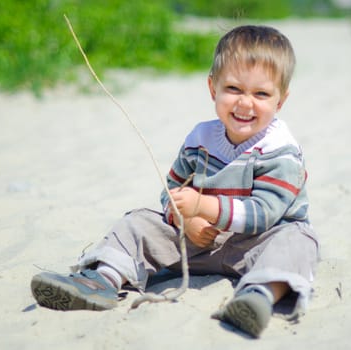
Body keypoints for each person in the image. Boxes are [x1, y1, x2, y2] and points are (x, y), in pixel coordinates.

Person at [31, 25, 319, 338]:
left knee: (298, 240)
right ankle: (103, 280)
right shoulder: (201, 137)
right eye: (234, 89)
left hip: (257, 244)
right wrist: (184, 218)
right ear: (213, 88)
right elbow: (172, 189)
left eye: (261, 94)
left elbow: (264, 213)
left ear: (280, 100)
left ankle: (259, 296)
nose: (245, 103)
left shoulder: (281, 150)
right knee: (139, 221)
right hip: (200, 242)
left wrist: (203, 205)